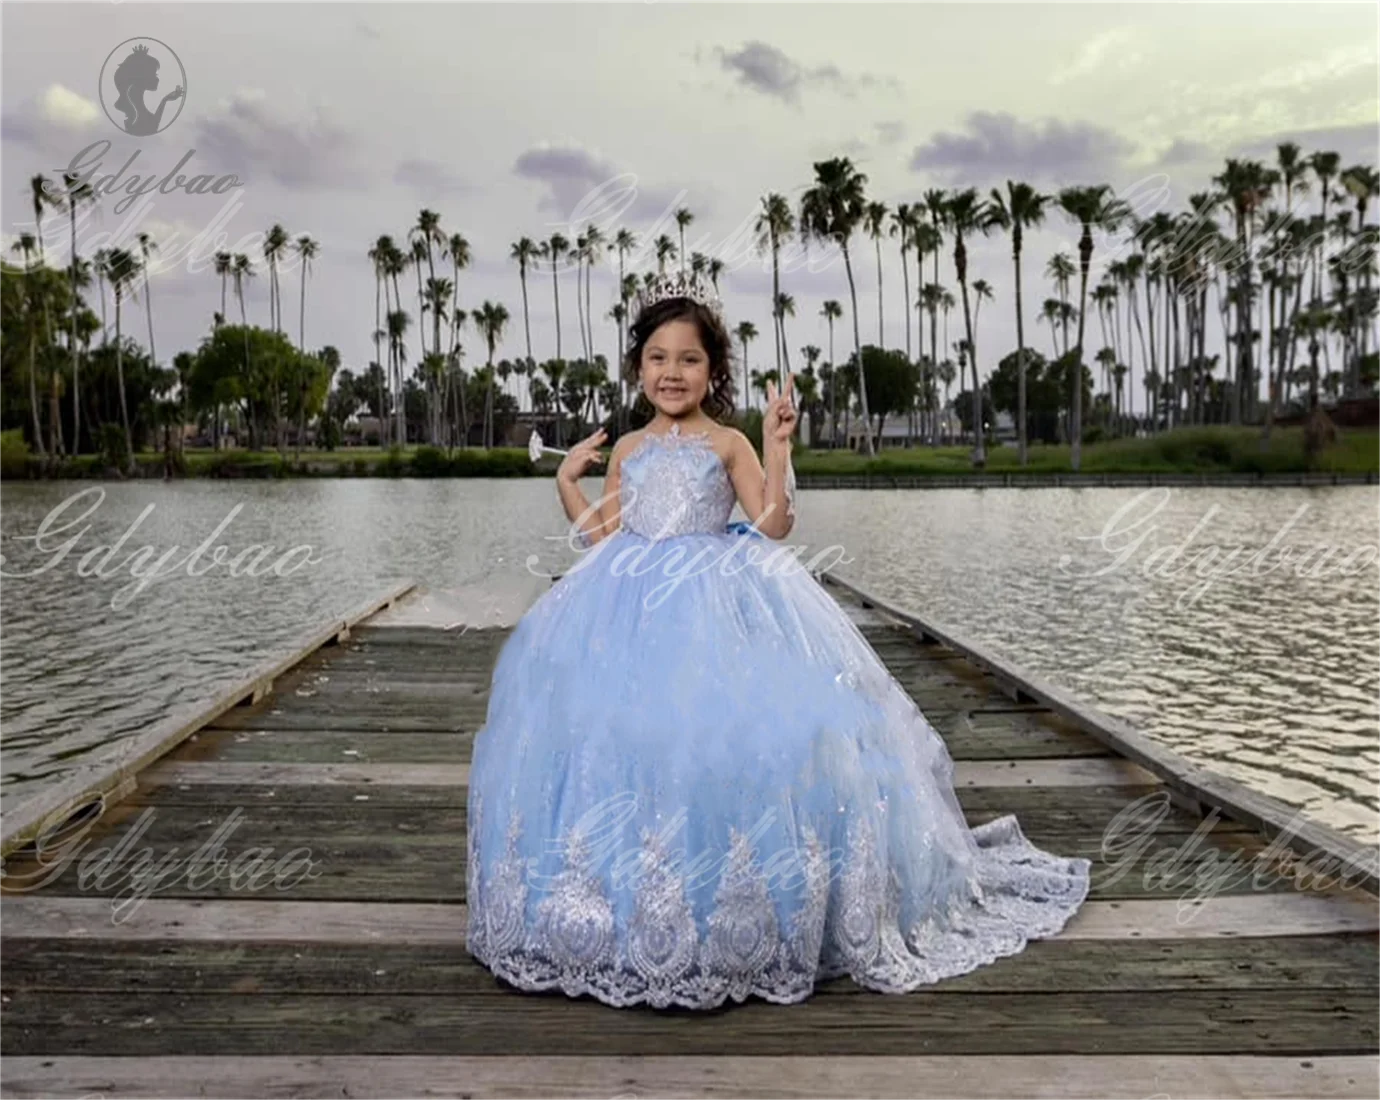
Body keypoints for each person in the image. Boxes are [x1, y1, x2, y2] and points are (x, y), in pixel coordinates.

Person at [466, 270, 1090, 1010]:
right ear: (638, 369)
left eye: (689, 359)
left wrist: (776, 443)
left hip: (716, 597)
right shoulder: (629, 448)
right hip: (628, 601)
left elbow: (771, 526)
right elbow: (605, 536)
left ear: (713, 371)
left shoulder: (727, 441)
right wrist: (570, 481)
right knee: (617, 735)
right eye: (658, 358)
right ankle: (616, 910)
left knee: (731, 742)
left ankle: (738, 915)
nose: (673, 372)